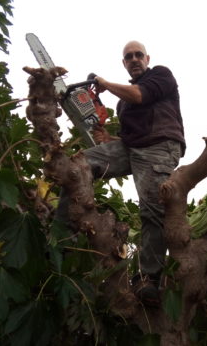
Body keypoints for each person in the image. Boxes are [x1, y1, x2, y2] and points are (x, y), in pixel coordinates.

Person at [56, 41, 185, 306]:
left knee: (152, 210)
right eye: (129, 57)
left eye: (138, 55)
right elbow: (128, 139)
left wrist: (104, 83)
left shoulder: (160, 75)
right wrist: (108, 138)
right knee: (77, 166)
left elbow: (139, 95)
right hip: (133, 148)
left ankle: (149, 279)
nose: (134, 59)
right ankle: (61, 234)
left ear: (147, 58)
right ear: (124, 63)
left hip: (159, 145)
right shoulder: (122, 107)